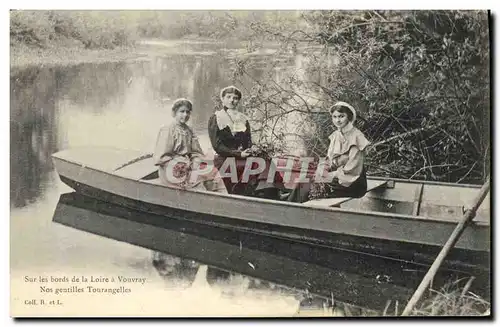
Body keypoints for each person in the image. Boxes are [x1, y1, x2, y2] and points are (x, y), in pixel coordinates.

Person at [287, 101, 370, 203]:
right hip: (337, 178)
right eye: (334, 117)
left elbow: (353, 169)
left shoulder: (357, 137)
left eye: (341, 116)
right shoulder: (335, 135)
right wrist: (321, 170)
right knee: (304, 180)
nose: (337, 120)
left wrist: (330, 175)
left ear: (348, 117)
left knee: (309, 187)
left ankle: (291, 210)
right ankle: (288, 206)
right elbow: (328, 160)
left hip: (352, 182)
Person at [208, 86, 281, 197]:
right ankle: (257, 191)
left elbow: (248, 143)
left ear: (238, 101)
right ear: (222, 99)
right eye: (228, 97)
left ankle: (270, 191)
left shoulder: (242, 119)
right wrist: (239, 153)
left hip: (240, 157)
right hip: (224, 159)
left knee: (265, 158)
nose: (232, 100)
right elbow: (217, 146)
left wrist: (253, 149)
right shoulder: (216, 118)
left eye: (235, 98)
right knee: (257, 163)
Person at [153, 98, 227, 193]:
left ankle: (222, 198)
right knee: (196, 182)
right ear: (174, 113)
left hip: (188, 165)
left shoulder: (189, 130)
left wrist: (196, 161)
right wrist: (179, 165)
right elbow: (161, 157)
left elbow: (196, 152)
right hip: (171, 169)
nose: (185, 115)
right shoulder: (167, 129)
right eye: (182, 111)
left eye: (187, 112)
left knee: (212, 172)